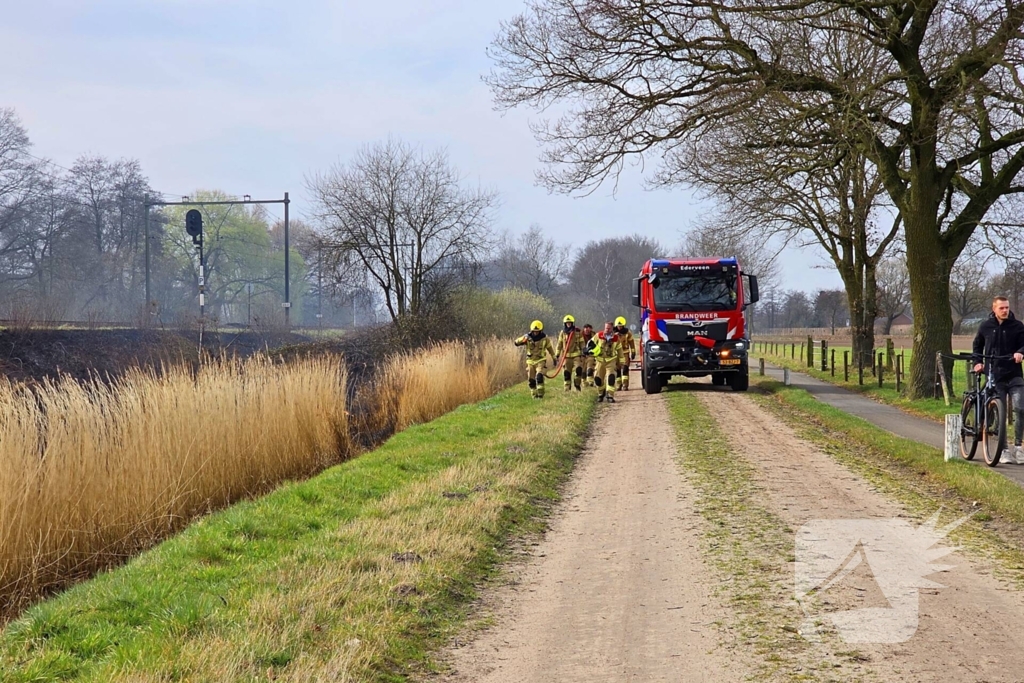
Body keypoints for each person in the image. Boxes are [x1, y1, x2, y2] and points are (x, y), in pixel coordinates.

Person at [972, 296, 1024, 464]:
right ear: (994, 309)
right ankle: (1004, 450)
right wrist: (978, 362)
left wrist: (1020, 352)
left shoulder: (1017, 326)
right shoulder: (985, 326)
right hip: (994, 375)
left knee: (1020, 408)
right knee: (999, 412)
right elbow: (977, 346)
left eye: (1007, 307)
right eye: (1001, 308)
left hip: (1014, 374)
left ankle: (1018, 447)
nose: (1005, 311)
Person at [515, 320, 557, 399]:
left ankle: (541, 394)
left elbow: (550, 349)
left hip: (540, 361)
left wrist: (554, 358)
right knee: (531, 380)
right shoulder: (527, 338)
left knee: (539, 375)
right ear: (531, 331)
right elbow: (516, 342)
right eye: (534, 331)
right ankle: (534, 395)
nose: (536, 333)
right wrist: (523, 338)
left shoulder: (545, 339)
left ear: (540, 331)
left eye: (537, 331)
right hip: (530, 361)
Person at [587, 321, 622, 403]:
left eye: (609, 328)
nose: (607, 329)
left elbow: (620, 350)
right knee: (598, 379)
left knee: (611, 378)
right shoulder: (598, 335)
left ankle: (610, 395)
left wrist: (621, 361)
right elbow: (590, 343)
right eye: (606, 328)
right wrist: (587, 349)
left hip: (611, 361)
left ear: (612, 329)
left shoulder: (616, 338)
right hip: (600, 361)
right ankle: (601, 393)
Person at [556, 314, 585, 392]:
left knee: (579, 369)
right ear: (565, 324)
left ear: (572, 323)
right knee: (567, 373)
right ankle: (567, 389)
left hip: (576, 355)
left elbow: (582, 343)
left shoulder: (577, 332)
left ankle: (577, 385)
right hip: (566, 356)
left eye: (570, 323)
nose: (568, 324)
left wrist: (584, 350)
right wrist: (557, 354)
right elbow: (559, 344)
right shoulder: (563, 333)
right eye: (567, 323)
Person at [613, 316, 637, 391]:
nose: (619, 327)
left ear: (623, 325)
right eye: (618, 326)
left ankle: (625, 385)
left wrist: (633, 352)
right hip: (616, 353)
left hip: (625, 352)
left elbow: (631, 343)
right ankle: (618, 385)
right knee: (617, 370)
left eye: (621, 326)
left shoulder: (627, 333)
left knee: (625, 369)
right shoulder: (613, 333)